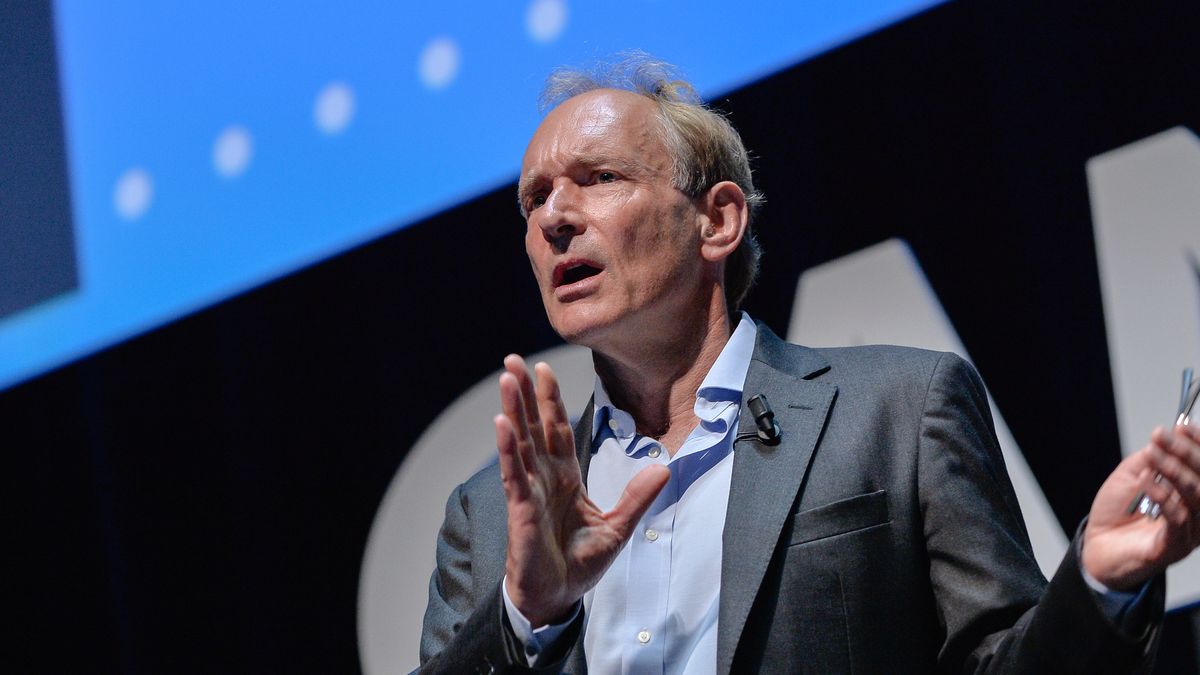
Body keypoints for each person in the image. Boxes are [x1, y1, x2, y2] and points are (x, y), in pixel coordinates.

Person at [417, 54, 1200, 674]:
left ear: (717, 220)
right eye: (535, 198)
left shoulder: (898, 409)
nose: (554, 217)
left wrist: (1096, 582)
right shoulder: (488, 520)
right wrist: (527, 613)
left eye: (599, 179)